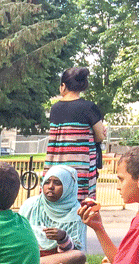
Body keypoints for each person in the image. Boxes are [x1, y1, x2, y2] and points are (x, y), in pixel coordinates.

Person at [45, 67, 106, 202]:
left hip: (57, 168)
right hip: (81, 169)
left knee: (57, 203)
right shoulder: (89, 107)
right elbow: (100, 136)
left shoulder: (55, 108)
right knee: (79, 206)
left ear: (63, 86)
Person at [18, 165, 87, 264]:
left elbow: (76, 249)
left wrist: (63, 238)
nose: (50, 187)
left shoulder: (76, 212)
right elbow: (17, 236)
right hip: (29, 253)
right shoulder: (31, 205)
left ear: (69, 187)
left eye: (57, 183)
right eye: (47, 182)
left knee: (78, 256)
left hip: (57, 256)